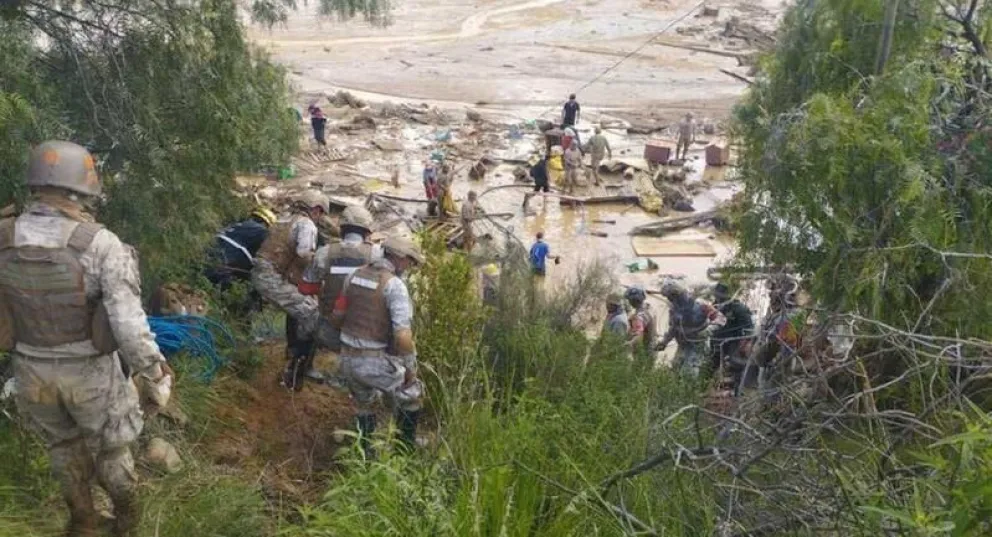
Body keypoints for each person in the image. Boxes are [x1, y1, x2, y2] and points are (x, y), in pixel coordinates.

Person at [1, 141, 173, 537]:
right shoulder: (99, 244)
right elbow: (128, 323)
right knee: (112, 449)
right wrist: (154, 369)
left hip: (30, 370)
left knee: (62, 449)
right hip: (89, 373)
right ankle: (126, 524)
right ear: (82, 191)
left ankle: (83, 521)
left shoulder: (3, 238)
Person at [331, 236, 425, 456]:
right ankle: (405, 452)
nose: (410, 266)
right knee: (412, 395)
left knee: (364, 404)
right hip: (372, 361)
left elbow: (337, 316)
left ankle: (366, 455)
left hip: (346, 359)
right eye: (410, 261)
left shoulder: (354, 275)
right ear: (400, 259)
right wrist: (411, 369)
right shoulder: (394, 285)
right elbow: (403, 337)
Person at [289, 205, 377, 390]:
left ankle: (296, 374)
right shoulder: (377, 254)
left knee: (305, 323)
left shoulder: (325, 252)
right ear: (367, 232)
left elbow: (305, 288)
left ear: (342, 229)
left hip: (330, 330)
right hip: (367, 335)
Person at [251, 191, 327, 387]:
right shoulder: (307, 225)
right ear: (317, 210)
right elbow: (303, 253)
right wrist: (323, 265)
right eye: (321, 214)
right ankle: (297, 370)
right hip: (271, 278)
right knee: (312, 313)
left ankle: (293, 352)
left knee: (297, 307)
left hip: (264, 272)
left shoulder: (284, 219)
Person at [656, 280, 725, 378]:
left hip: (698, 345)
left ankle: (692, 391)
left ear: (677, 294)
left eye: (671, 297)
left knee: (688, 374)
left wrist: (708, 330)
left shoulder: (700, 305)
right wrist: (664, 342)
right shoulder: (674, 309)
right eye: (668, 297)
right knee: (675, 369)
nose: (670, 300)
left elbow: (720, 318)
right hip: (683, 345)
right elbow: (673, 328)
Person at [204, 207, 277, 290]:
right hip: (224, 260)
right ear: (266, 224)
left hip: (208, 250)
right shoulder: (262, 232)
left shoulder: (237, 224)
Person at [709, 283, 754, 378]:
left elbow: (749, 329)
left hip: (733, 342)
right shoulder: (715, 307)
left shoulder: (739, 308)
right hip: (717, 342)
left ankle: (738, 381)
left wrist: (744, 343)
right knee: (712, 365)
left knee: (735, 364)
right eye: (716, 296)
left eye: (719, 296)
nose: (717, 299)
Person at [624, 286, 657, 354]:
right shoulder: (649, 308)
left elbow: (639, 334)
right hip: (653, 345)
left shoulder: (639, 317)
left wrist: (630, 343)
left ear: (633, 301)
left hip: (644, 350)